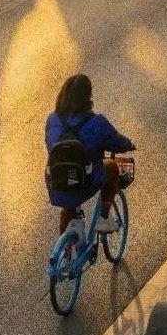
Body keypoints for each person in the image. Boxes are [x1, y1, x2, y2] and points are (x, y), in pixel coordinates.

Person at [45, 74, 135, 234]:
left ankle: (65, 252)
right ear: (87, 97)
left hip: (57, 182)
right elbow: (116, 142)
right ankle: (104, 219)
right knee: (112, 167)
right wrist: (129, 144)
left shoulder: (53, 119)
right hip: (86, 181)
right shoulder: (97, 122)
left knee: (69, 206)